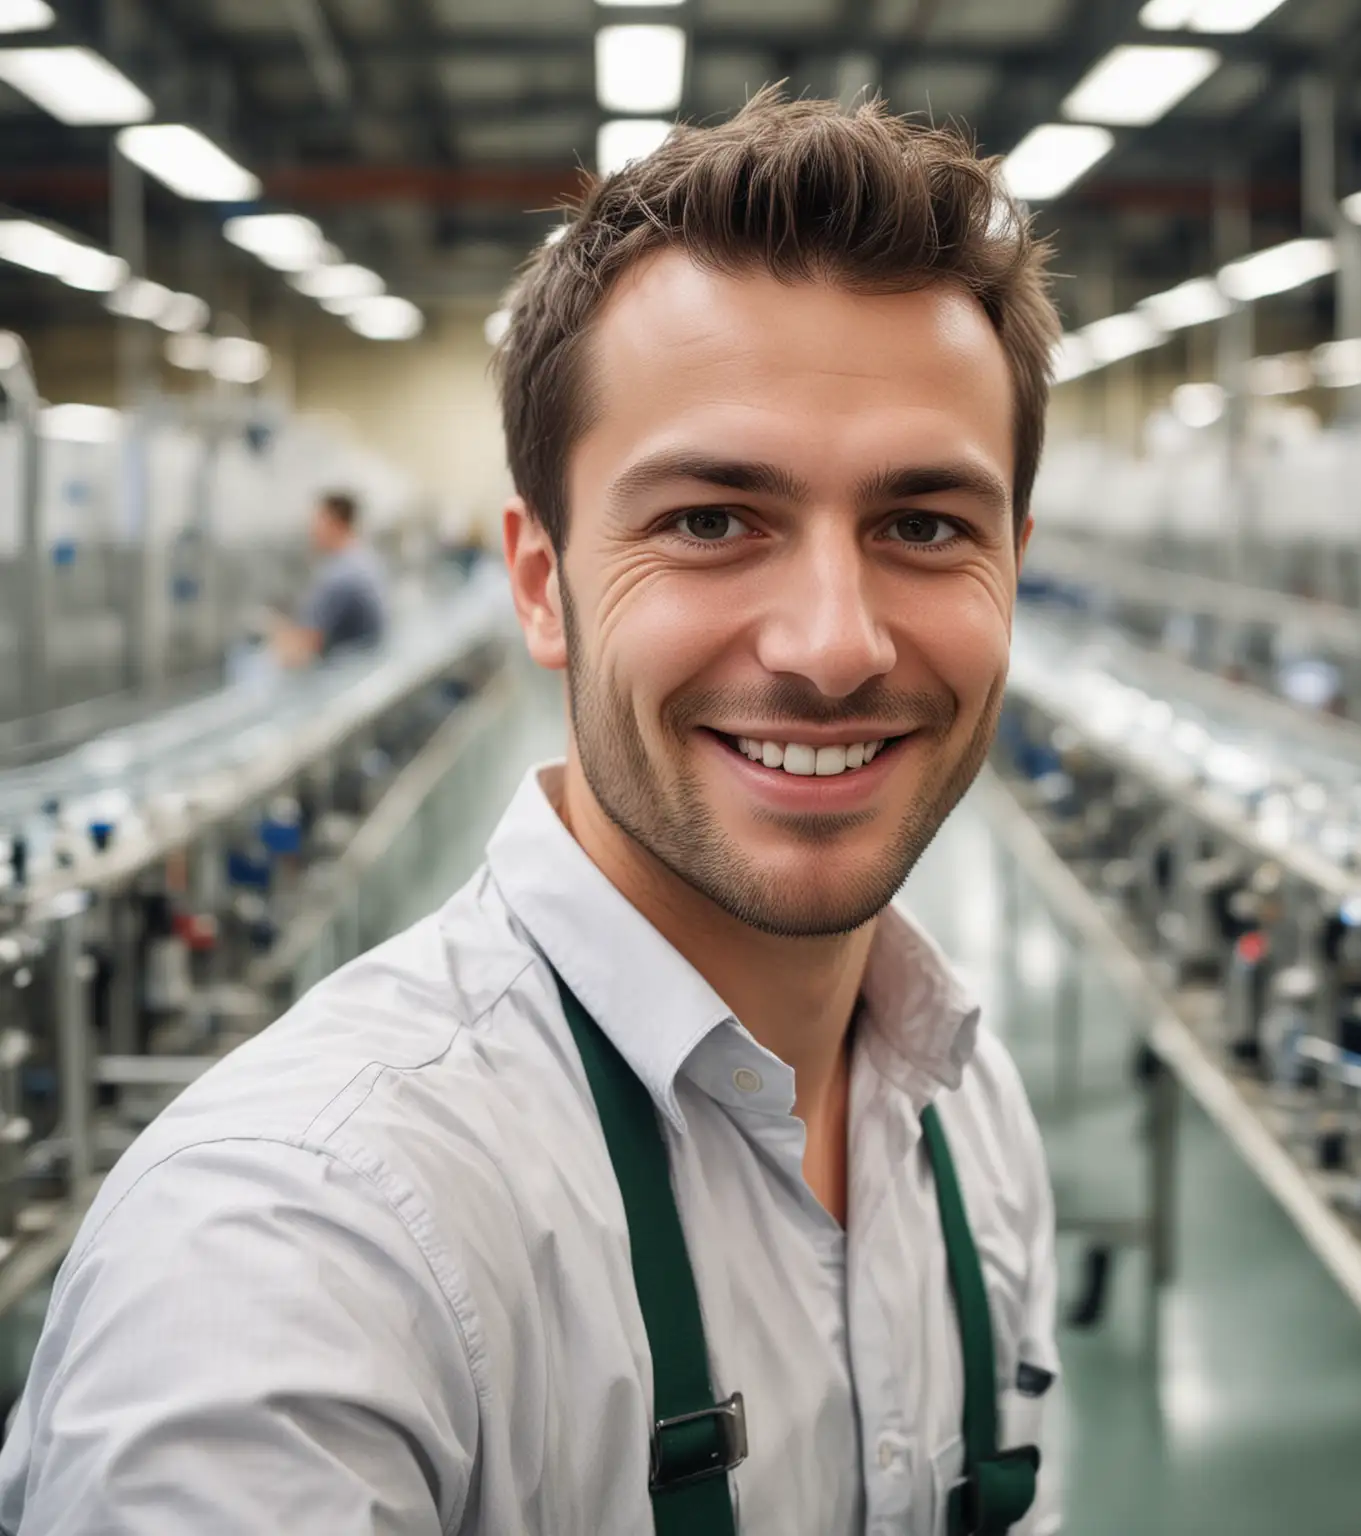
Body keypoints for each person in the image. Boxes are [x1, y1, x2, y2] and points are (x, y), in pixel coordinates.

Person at [0, 91, 1062, 1534]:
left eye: (926, 526)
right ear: (537, 579)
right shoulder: (294, 1254)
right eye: (709, 520)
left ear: (1016, 560)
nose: (835, 646)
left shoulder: (966, 1119)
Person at [269, 490, 388, 665]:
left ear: (335, 523)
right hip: (367, 663)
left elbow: (300, 650)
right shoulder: (366, 560)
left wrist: (273, 631)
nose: (311, 530)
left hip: (345, 673)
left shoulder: (339, 576)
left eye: (317, 521)